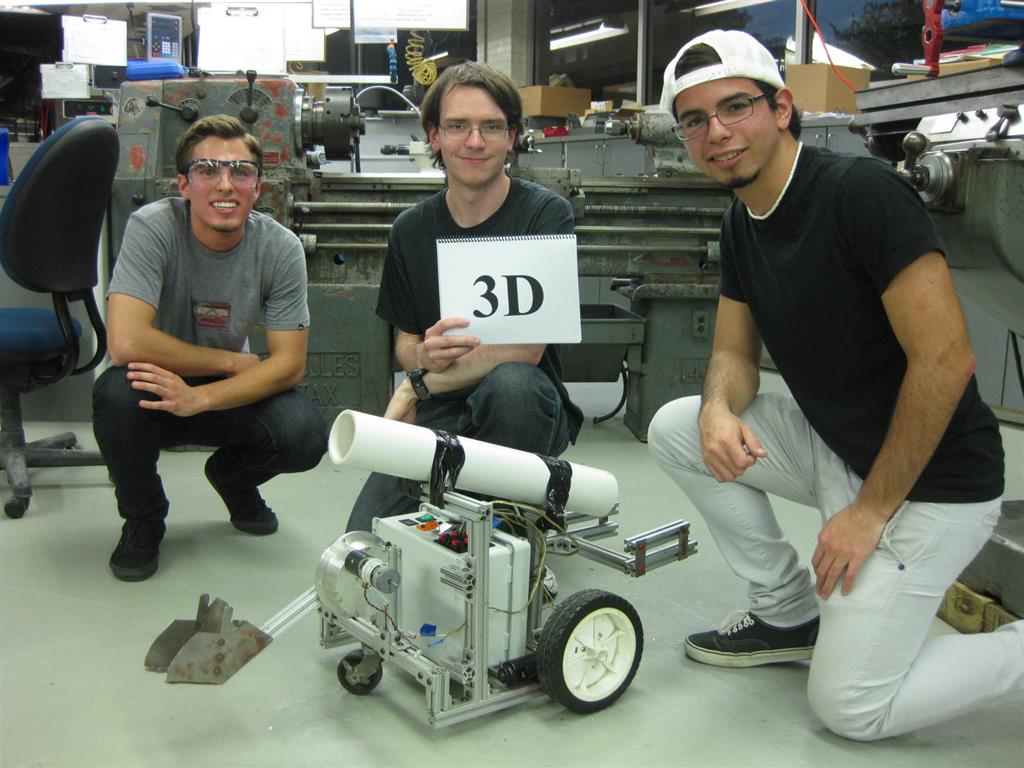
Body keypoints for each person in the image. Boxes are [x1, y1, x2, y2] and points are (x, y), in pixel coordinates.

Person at [647, 30, 1021, 740]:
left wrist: (869, 512)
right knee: (677, 426)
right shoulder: (742, 222)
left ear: (782, 108)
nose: (716, 133)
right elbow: (733, 353)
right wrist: (718, 409)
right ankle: (788, 613)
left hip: (930, 482)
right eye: (694, 120)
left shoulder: (860, 194)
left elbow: (946, 361)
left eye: (735, 107)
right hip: (837, 447)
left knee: (851, 706)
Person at [345, 62, 583, 533]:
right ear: (434, 136)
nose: (475, 141)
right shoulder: (411, 230)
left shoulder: (543, 215)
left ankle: (509, 526)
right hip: (440, 410)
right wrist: (422, 357)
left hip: (524, 406)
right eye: (458, 126)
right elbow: (405, 344)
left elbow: (524, 349)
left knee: (512, 385)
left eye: (491, 127)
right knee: (363, 540)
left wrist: (417, 384)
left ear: (512, 137)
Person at [93, 115, 327, 582]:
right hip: (157, 385)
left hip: (221, 393)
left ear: (257, 187)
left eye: (241, 171)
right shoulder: (153, 228)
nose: (225, 184)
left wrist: (200, 397)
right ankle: (143, 517)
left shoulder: (279, 248)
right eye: (207, 170)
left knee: (303, 433)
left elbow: (289, 365)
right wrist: (229, 362)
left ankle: (233, 479)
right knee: (116, 395)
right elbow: (126, 342)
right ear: (183, 184)